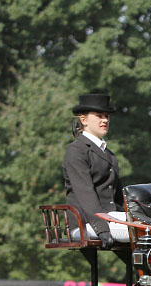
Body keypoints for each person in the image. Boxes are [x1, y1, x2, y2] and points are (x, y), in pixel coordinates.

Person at [62, 93, 128, 249]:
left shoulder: (109, 154)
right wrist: (102, 229)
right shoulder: (76, 151)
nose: (105, 120)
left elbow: (118, 196)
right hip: (84, 223)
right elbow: (86, 195)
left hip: (110, 217)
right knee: (145, 231)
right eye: (99, 116)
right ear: (83, 120)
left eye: (106, 116)